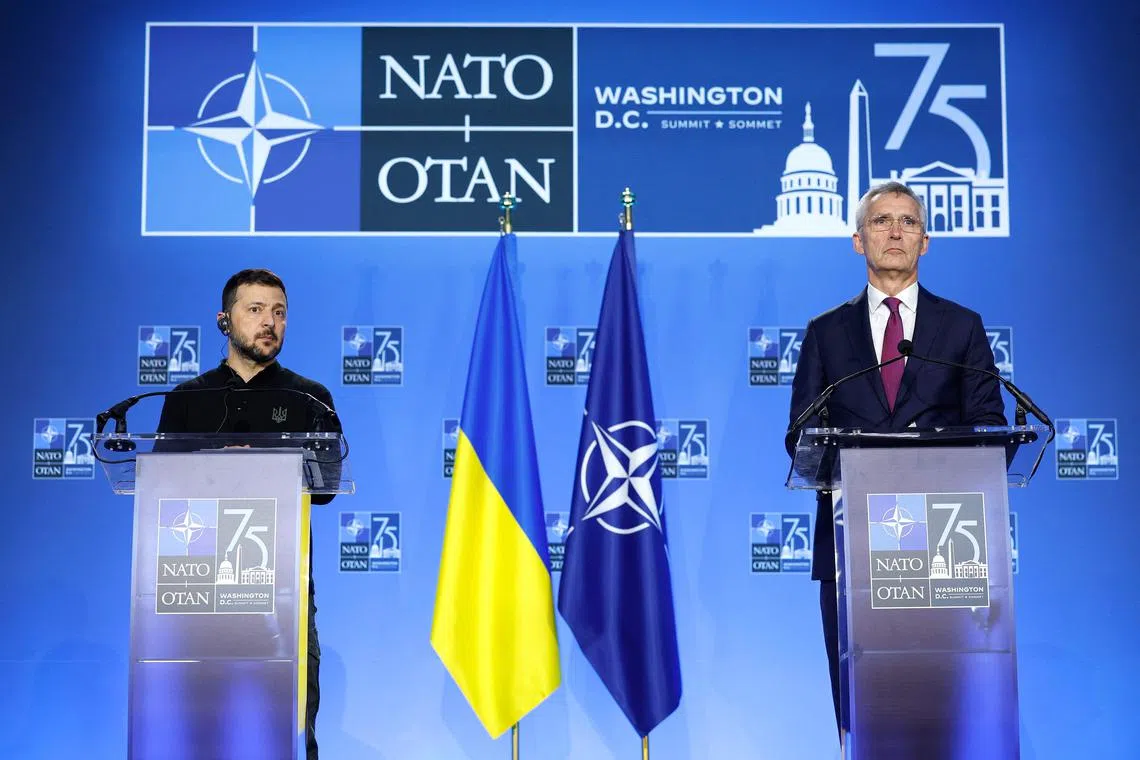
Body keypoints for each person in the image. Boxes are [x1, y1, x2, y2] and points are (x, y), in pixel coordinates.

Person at [786, 182, 1006, 739]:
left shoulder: (960, 327)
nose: (894, 232)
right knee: (862, 707)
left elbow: (989, 425)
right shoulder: (825, 332)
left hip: (944, 546)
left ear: (925, 243)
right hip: (851, 545)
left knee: (941, 705)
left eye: (908, 222)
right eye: (881, 221)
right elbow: (800, 435)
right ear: (858, 241)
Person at [157, 268, 340, 759]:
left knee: (288, 730)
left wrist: (264, 466)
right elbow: (163, 494)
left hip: (282, 591)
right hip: (198, 591)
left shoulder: (309, 397)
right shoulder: (187, 399)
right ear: (224, 320)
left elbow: (326, 487)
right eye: (255, 310)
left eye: (279, 313)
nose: (269, 322)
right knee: (198, 733)